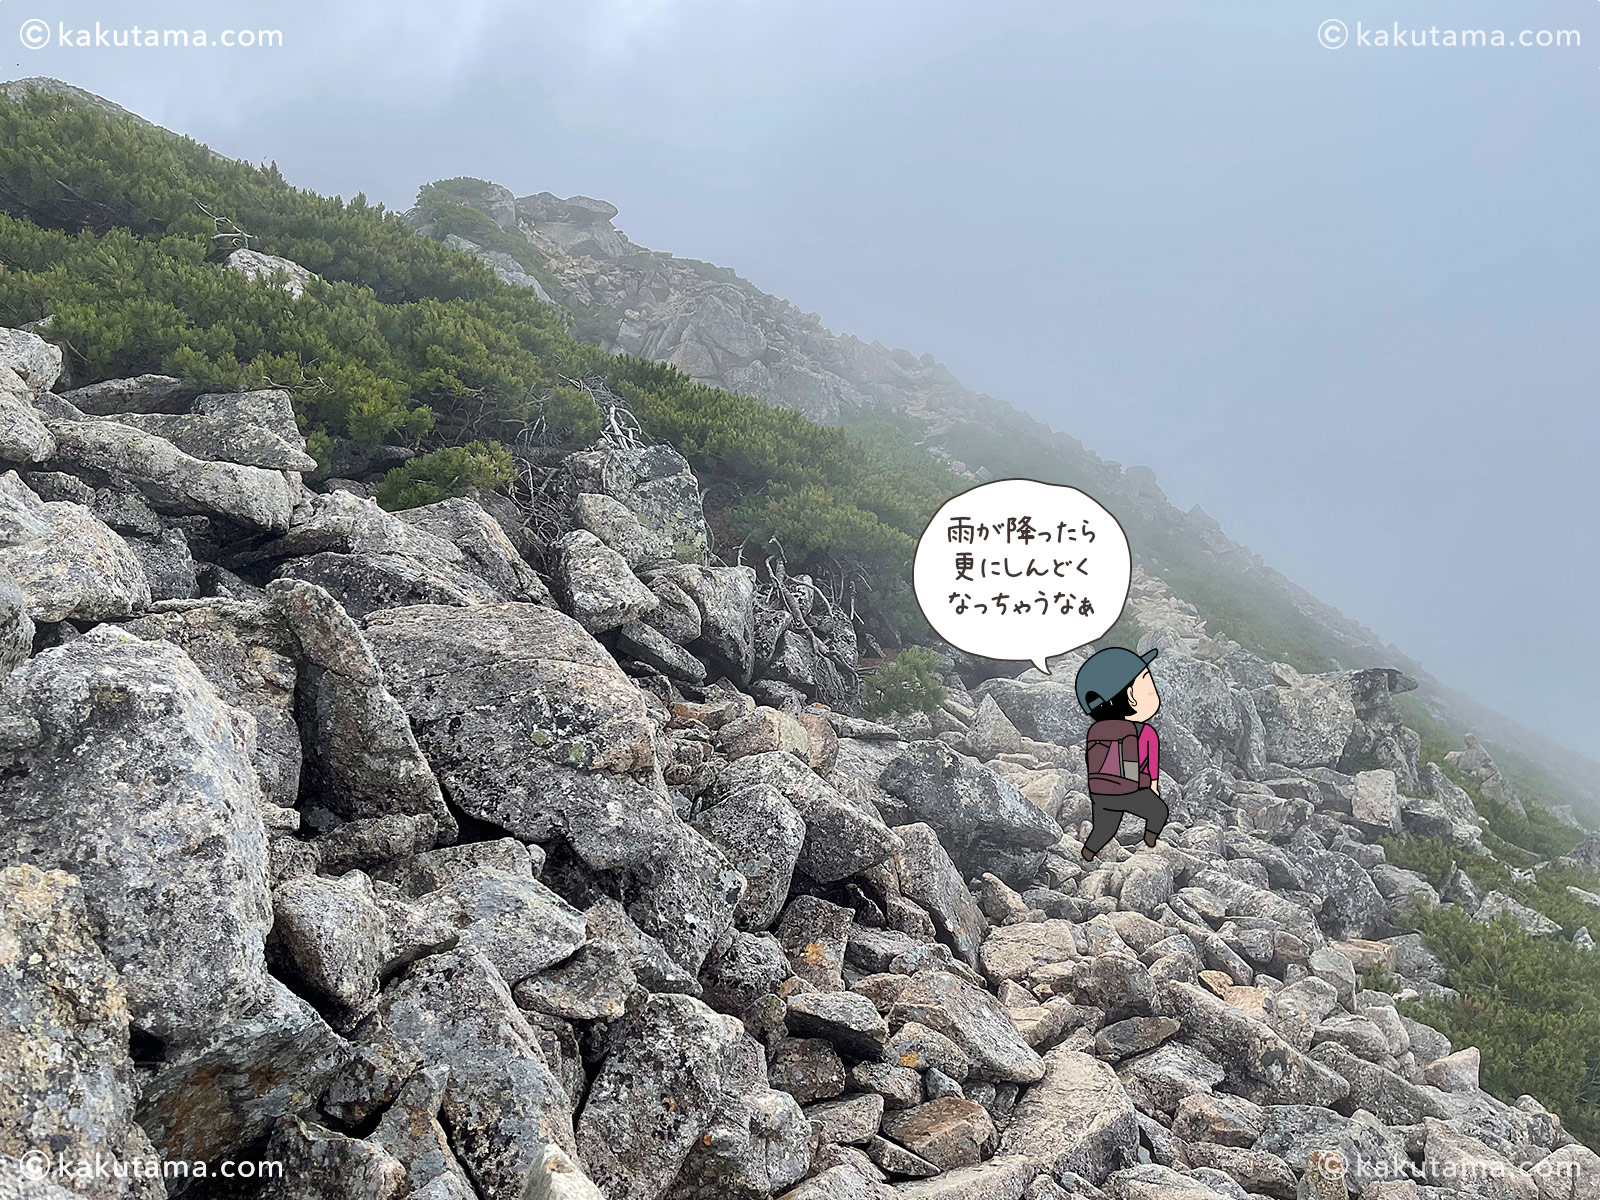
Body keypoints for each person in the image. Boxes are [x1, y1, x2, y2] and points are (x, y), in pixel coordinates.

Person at [1074, 646, 1167, 861]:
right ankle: (1150, 843)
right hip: (1128, 790)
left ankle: (1086, 855)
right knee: (1158, 812)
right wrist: (1151, 786)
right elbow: (1150, 767)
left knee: (1105, 829)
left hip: (1100, 791)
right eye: (1148, 683)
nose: (1153, 690)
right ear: (1132, 697)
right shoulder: (1145, 731)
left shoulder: (1095, 730)